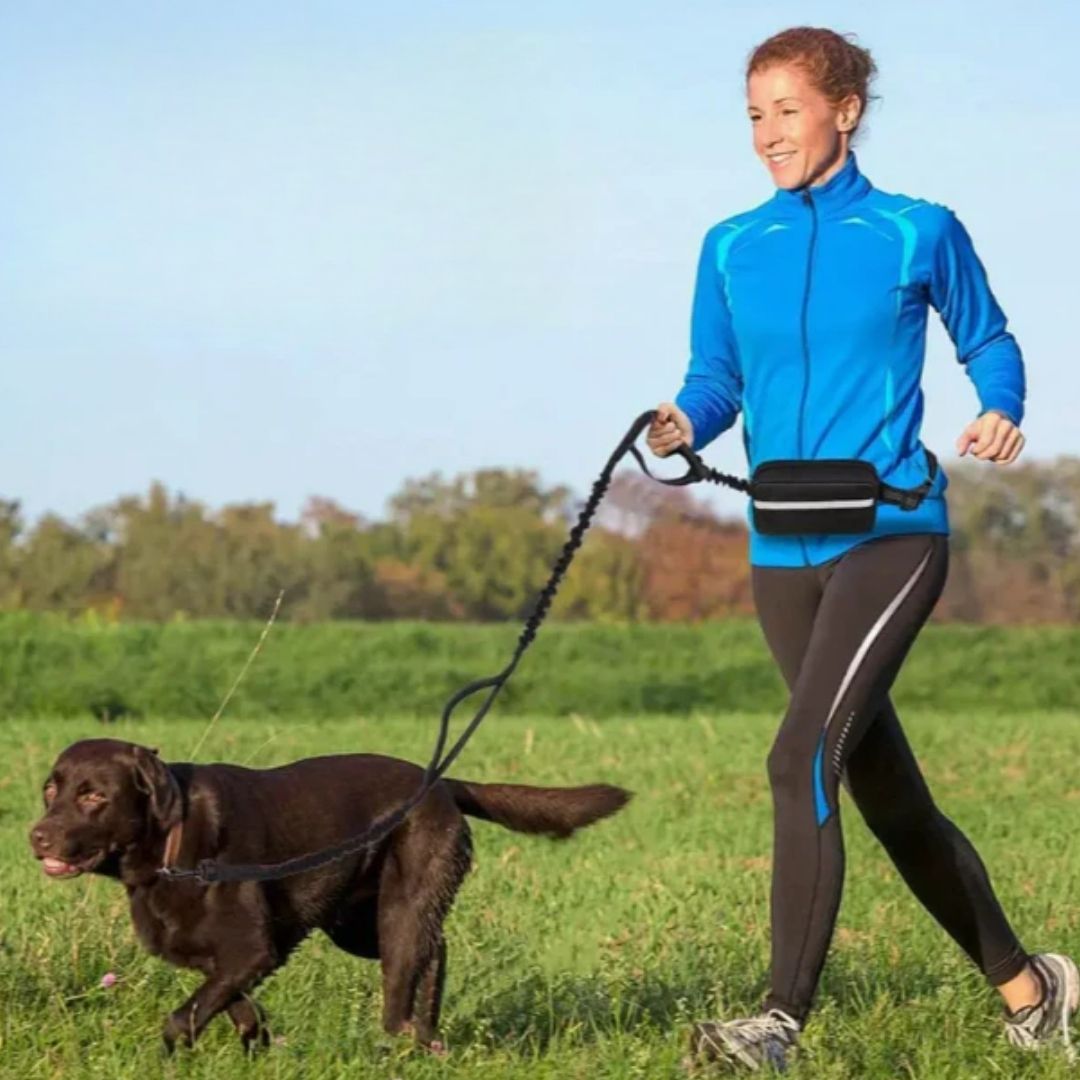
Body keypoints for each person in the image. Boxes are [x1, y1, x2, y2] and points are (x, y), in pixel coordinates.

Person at [647, 25, 1077, 1073]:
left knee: (798, 758)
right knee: (879, 790)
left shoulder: (913, 231)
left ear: (844, 110)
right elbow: (717, 376)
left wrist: (1001, 406)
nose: (767, 134)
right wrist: (682, 423)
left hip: (890, 532)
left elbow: (990, 338)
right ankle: (1036, 992)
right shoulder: (730, 245)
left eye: (787, 110)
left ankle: (777, 1024)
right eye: (754, 114)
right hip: (780, 546)